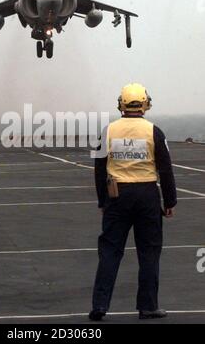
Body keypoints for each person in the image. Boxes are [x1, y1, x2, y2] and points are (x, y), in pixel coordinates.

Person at [89, 83, 177, 321]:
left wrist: (102, 200)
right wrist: (170, 201)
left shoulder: (108, 130)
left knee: (109, 251)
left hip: (117, 196)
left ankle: (99, 305)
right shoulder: (154, 131)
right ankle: (148, 306)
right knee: (149, 252)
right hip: (147, 195)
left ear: (121, 104)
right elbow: (166, 169)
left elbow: (99, 168)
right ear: (145, 104)